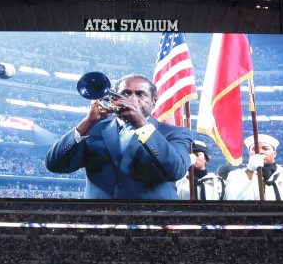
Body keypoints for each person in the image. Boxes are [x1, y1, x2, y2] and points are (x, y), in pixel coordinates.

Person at [46, 74, 191, 200]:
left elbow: (176, 170)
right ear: (113, 98)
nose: (132, 100)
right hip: (100, 222)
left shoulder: (176, 133)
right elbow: (55, 165)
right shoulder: (94, 128)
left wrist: (140, 123)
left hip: (153, 222)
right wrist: (88, 122)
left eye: (141, 94)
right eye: (126, 93)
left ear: (153, 102)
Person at [219, 135, 283, 201]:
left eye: (265, 148)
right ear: (249, 153)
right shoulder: (236, 175)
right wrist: (250, 170)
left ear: (275, 153)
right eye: (254, 149)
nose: (260, 152)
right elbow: (233, 199)